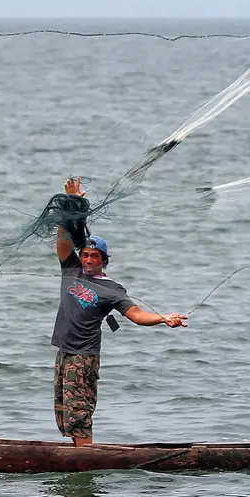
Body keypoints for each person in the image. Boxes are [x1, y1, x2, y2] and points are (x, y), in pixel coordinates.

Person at [51, 176, 188, 447]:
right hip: (63, 353)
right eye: (86, 255)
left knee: (80, 411)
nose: (89, 260)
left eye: (95, 257)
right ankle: (78, 453)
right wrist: (70, 205)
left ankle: (84, 456)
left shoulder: (112, 289)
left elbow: (136, 315)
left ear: (104, 260)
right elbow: (63, 237)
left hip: (83, 357)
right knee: (64, 412)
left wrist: (162, 318)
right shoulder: (71, 269)